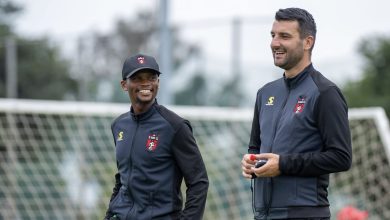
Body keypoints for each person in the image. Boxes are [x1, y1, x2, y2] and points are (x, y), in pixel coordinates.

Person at [241, 8, 352, 219]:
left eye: (285, 36)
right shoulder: (265, 93)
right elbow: (255, 147)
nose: (275, 43)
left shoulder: (325, 93)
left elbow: (341, 157)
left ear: (307, 42)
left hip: (305, 213)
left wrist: (283, 165)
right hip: (263, 214)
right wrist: (250, 161)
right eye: (273, 35)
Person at [104, 53, 209, 220]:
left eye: (151, 77)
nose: (146, 83)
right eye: (137, 78)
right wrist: (110, 214)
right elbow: (122, 177)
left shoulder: (175, 126)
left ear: (158, 82)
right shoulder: (118, 126)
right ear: (124, 85)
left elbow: (199, 182)